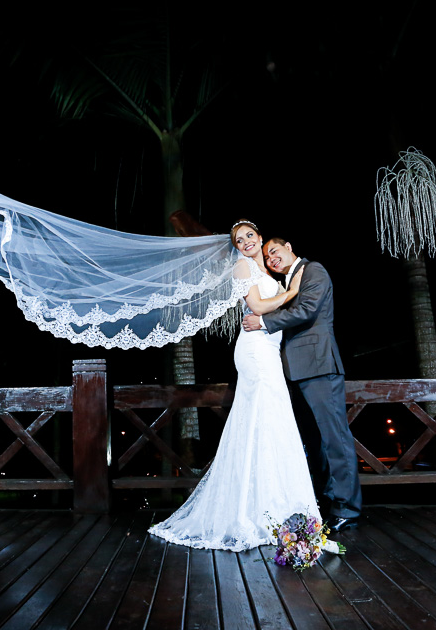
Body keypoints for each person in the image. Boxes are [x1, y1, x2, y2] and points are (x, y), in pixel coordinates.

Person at [148, 220, 320, 551]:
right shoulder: (243, 268)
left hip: (268, 350)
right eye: (239, 240)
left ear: (260, 237)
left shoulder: (267, 273)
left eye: (249, 237)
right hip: (255, 352)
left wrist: (284, 292)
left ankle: (272, 508)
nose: (246, 243)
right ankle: (251, 513)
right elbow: (256, 307)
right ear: (237, 247)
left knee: (270, 422)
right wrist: (293, 292)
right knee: (263, 418)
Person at [243, 238, 362, 531]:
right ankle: (323, 499)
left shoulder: (313, 270)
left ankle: (347, 507)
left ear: (288, 246)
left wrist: (263, 322)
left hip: (319, 365)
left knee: (334, 436)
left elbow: (307, 310)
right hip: (294, 371)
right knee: (313, 442)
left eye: (275, 252)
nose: (272, 259)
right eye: (268, 258)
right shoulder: (288, 281)